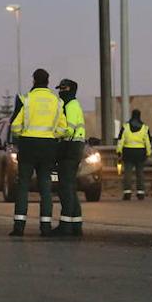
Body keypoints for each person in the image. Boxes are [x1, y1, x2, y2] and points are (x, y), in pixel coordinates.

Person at [9, 69, 68, 237]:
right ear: (48, 81)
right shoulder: (57, 101)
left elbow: (14, 125)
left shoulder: (24, 99)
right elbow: (63, 128)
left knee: (23, 185)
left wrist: (21, 134)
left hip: (28, 145)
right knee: (45, 186)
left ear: (33, 80)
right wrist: (52, 135)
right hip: (48, 146)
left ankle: (19, 226)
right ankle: (46, 226)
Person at [52, 79, 85, 236]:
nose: (60, 91)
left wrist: (54, 134)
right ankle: (76, 224)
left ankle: (65, 225)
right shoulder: (72, 104)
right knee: (70, 188)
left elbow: (69, 130)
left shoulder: (71, 105)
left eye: (63, 88)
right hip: (73, 149)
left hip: (69, 149)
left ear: (70, 89)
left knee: (65, 188)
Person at [116, 109, 151, 200]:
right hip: (140, 152)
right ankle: (140, 193)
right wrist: (148, 152)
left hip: (128, 152)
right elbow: (148, 142)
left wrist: (119, 151)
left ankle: (127, 193)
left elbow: (121, 140)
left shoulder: (126, 126)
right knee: (140, 173)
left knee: (128, 173)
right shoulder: (145, 127)